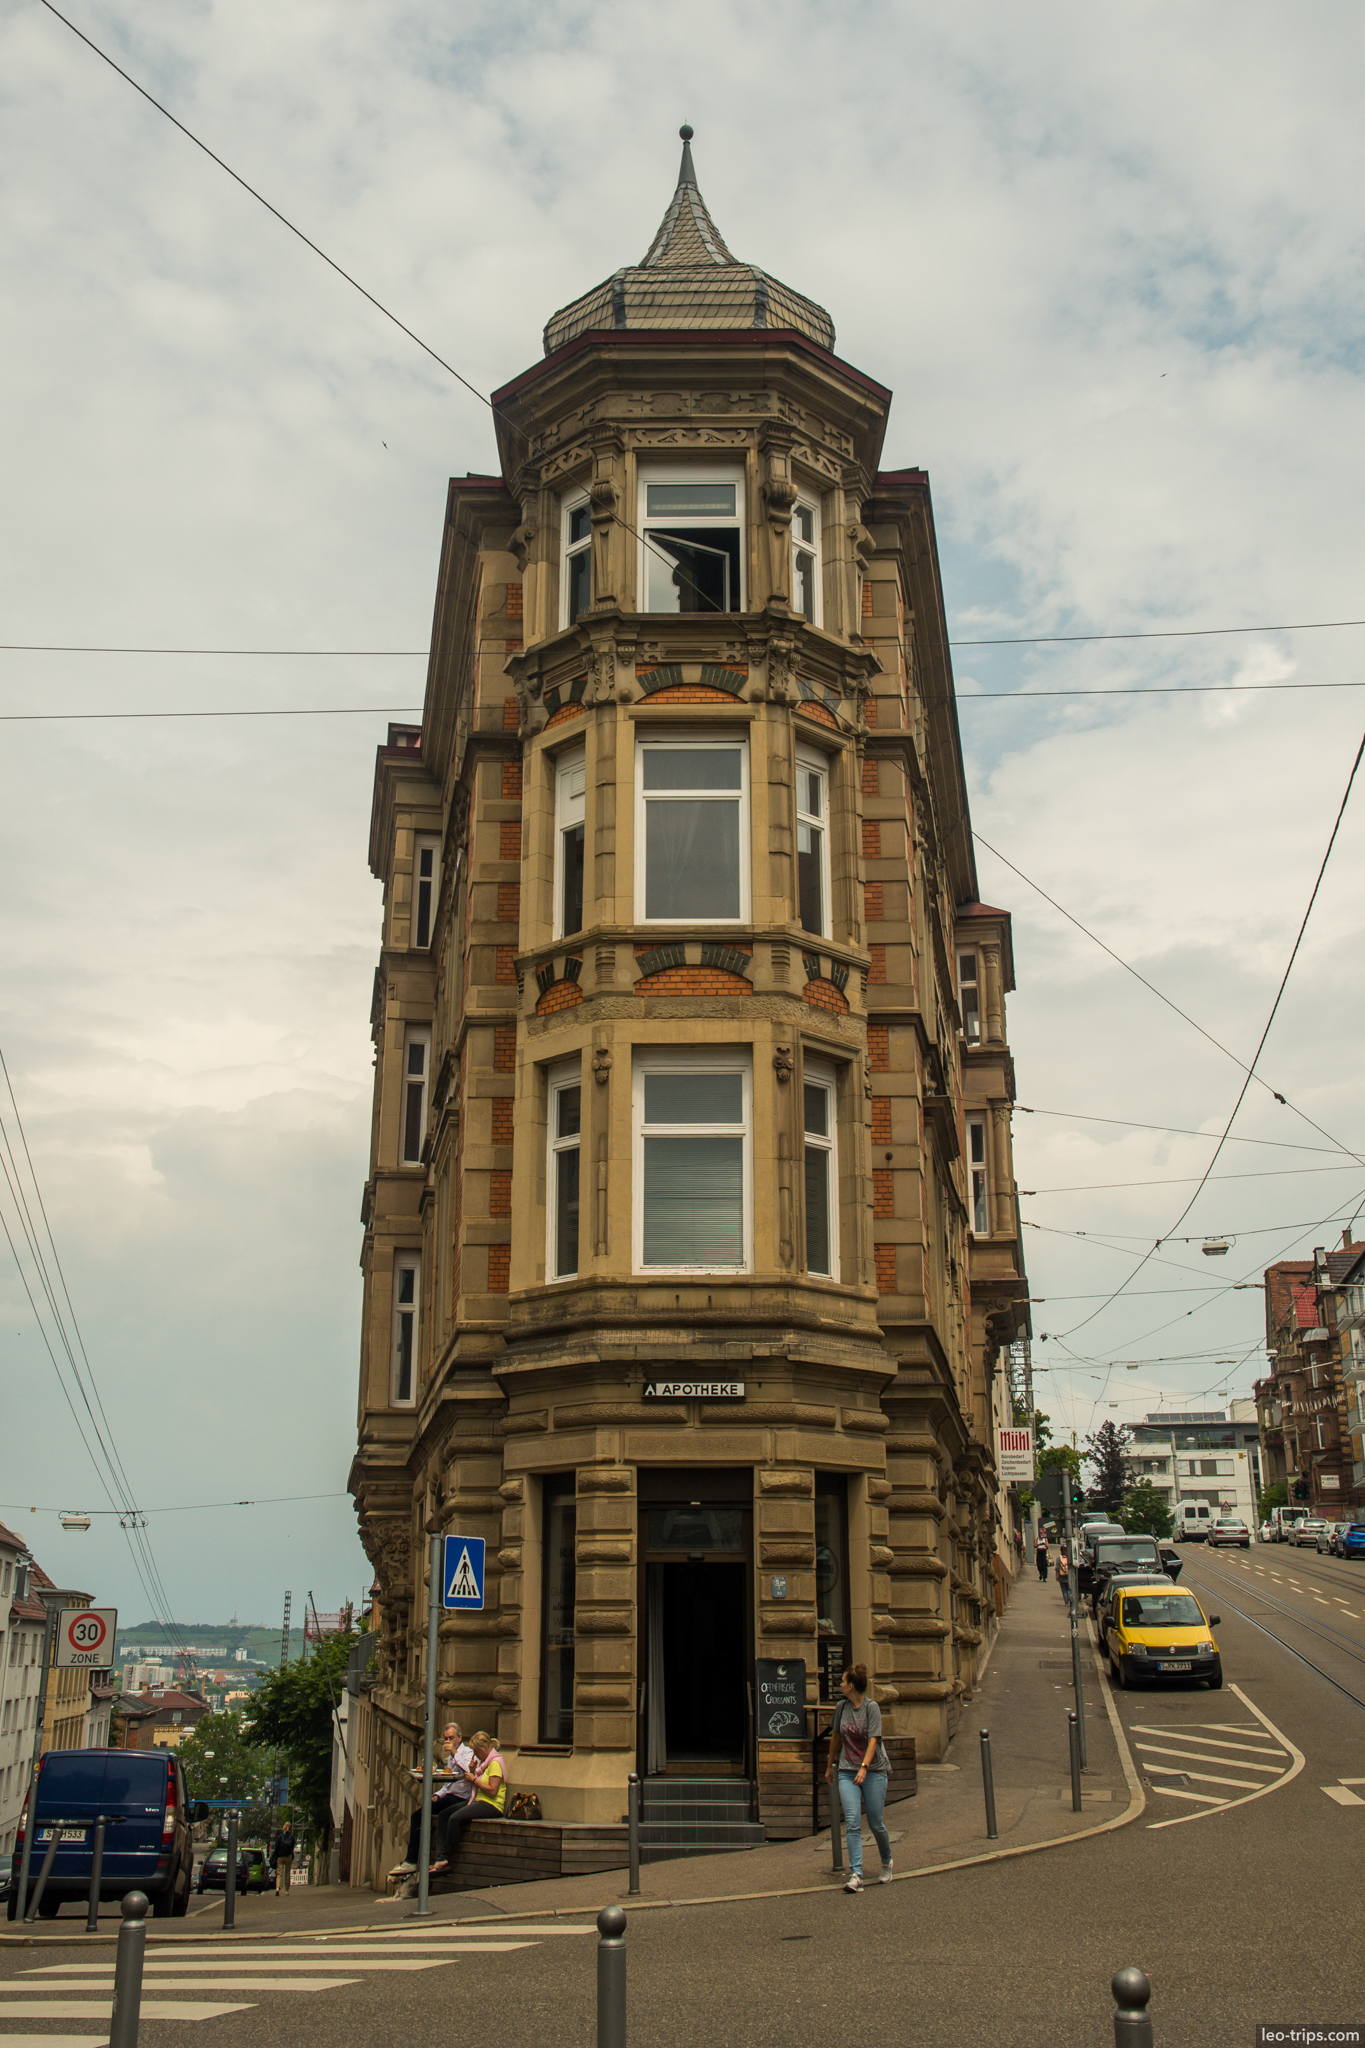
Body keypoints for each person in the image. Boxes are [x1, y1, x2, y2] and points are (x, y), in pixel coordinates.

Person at [824, 1663, 892, 1894]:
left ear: (851, 1685)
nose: (840, 1684)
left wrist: (864, 1767)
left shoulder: (871, 1708)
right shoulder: (841, 1708)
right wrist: (830, 1765)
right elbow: (835, 1737)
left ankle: (887, 1861)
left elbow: (874, 1740)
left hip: (874, 1771)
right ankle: (856, 1874)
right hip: (846, 1769)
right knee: (852, 1821)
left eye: (843, 1682)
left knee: (875, 1822)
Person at [388, 1724, 473, 1878]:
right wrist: (438, 1794)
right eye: (446, 1739)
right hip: (450, 1795)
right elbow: (448, 1784)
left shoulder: (467, 1753)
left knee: (431, 1816)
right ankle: (412, 1860)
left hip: (462, 1797)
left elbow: (468, 1770)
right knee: (419, 1814)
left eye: (452, 1738)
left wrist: (454, 1753)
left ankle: (416, 1859)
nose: (448, 1742)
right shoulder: (450, 1758)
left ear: (459, 1738)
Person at [431, 1731, 508, 1874]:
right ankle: (440, 1857)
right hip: (479, 1800)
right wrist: (474, 1771)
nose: (476, 1755)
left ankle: (446, 1859)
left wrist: (474, 1779)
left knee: (455, 1818)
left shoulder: (496, 1763)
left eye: (477, 1752)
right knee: (443, 1815)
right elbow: (479, 1778)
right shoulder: (484, 1763)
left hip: (492, 1804)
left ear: (485, 1747)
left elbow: (492, 1791)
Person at [272, 1820, 296, 1895]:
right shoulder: (292, 1838)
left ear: (284, 1828)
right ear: (291, 1829)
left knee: (279, 1873)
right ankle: (286, 1890)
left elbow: (276, 1847)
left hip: (280, 1857)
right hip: (288, 1856)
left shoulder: (280, 1837)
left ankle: (277, 1888)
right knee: (287, 1873)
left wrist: (275, 1856)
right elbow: (292, 1848)